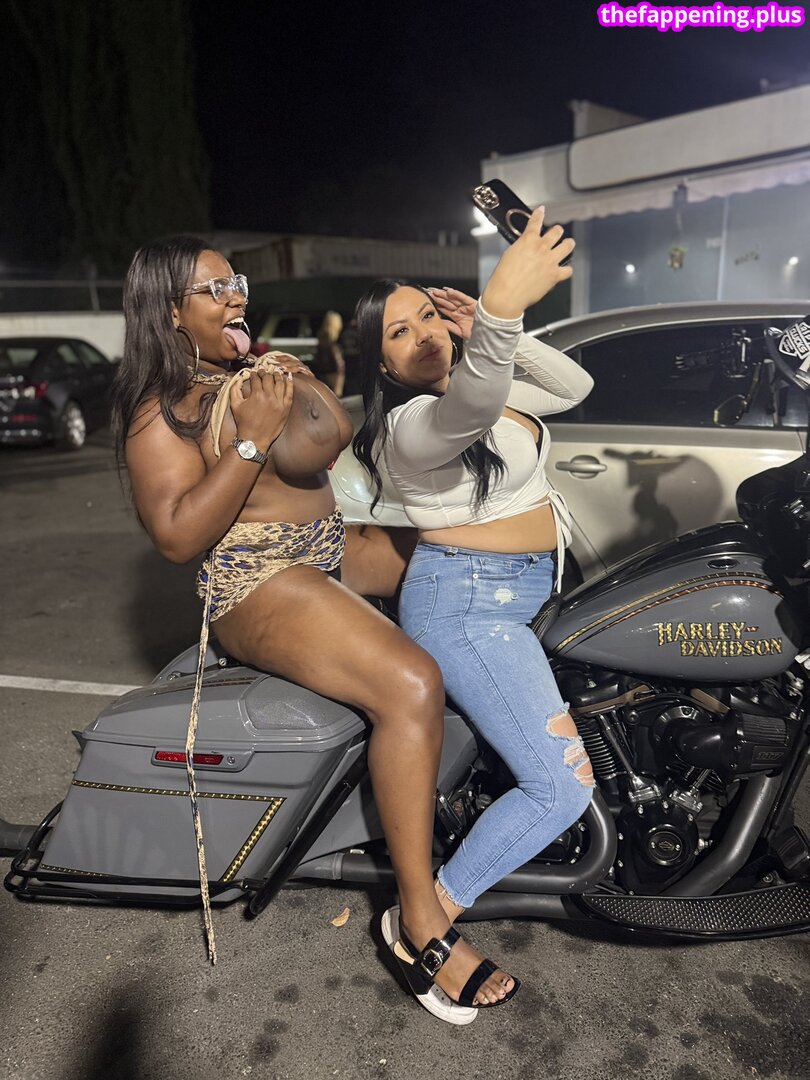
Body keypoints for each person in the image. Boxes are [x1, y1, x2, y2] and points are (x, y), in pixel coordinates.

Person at [110, 235, 517, 1021]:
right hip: (255, 581)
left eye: (235, 280)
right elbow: (176, 537)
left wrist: (295, 388)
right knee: (412, 683)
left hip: (323, 550)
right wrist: (253, 438)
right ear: (170, 312)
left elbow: (320, 450)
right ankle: (418, 923)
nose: (237, 295)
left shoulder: (243, 373)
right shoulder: (160, 411)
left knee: (464, 558)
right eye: (214, 288)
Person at [353, 207, 596, 1013]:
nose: (423, 333)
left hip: (512, 597)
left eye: (428, 313)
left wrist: (491, 331)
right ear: (379, 362)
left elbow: (575, 387)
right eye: (399, 331)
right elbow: (470, 410)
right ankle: (423, 920)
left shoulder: (472, 382)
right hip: (465, 607)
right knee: (559, 788)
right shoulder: (408, 427)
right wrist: (496, 316)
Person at [310, 310, 346, 396]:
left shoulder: (321, 338)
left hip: (322, 375)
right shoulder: (332, 343)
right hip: (332, 376)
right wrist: (339, 386)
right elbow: (339, 366)